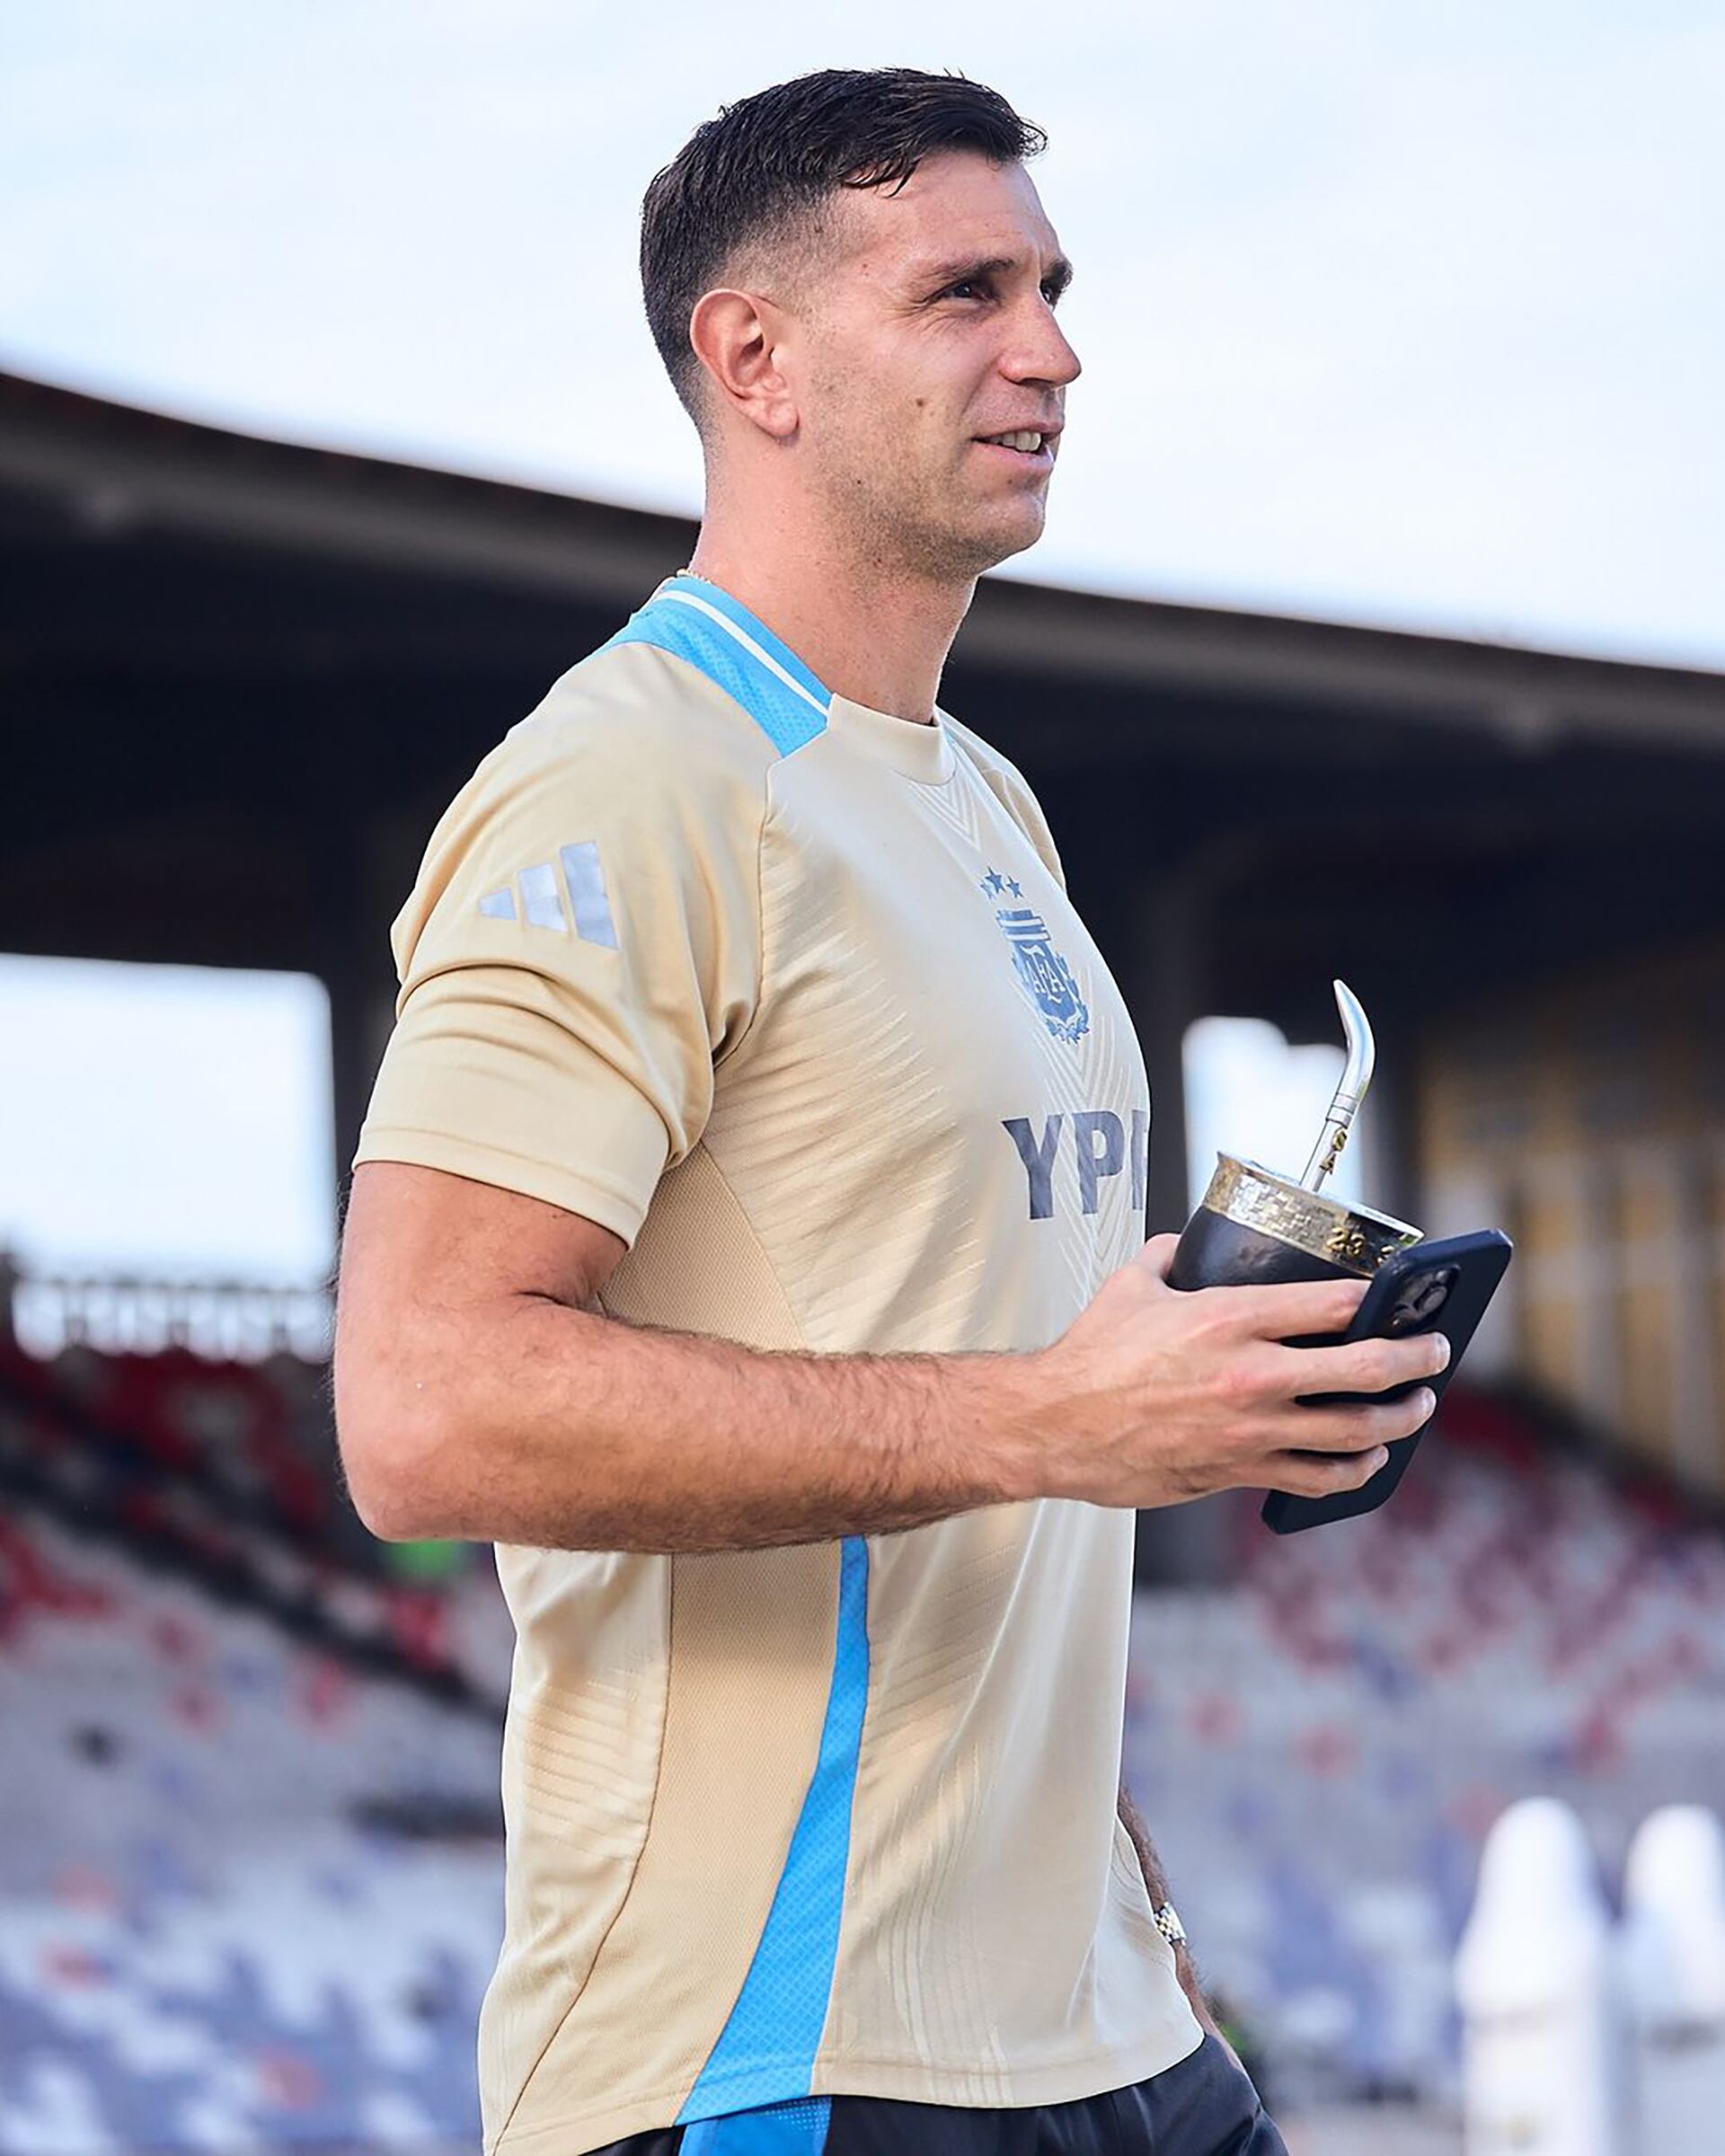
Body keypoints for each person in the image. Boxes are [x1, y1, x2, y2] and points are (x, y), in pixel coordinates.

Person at [333, 66, 1446, 2156]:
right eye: (963, 291)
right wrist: (1052, 1418)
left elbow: (1016, 1397)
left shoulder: (982, 797)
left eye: (1049, 284)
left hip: (1117, 2032)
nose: (1050, 346)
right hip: (787, 2053)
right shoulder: (629, 782)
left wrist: (1214, 1380)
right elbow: (421, 1400)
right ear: (750, 357)